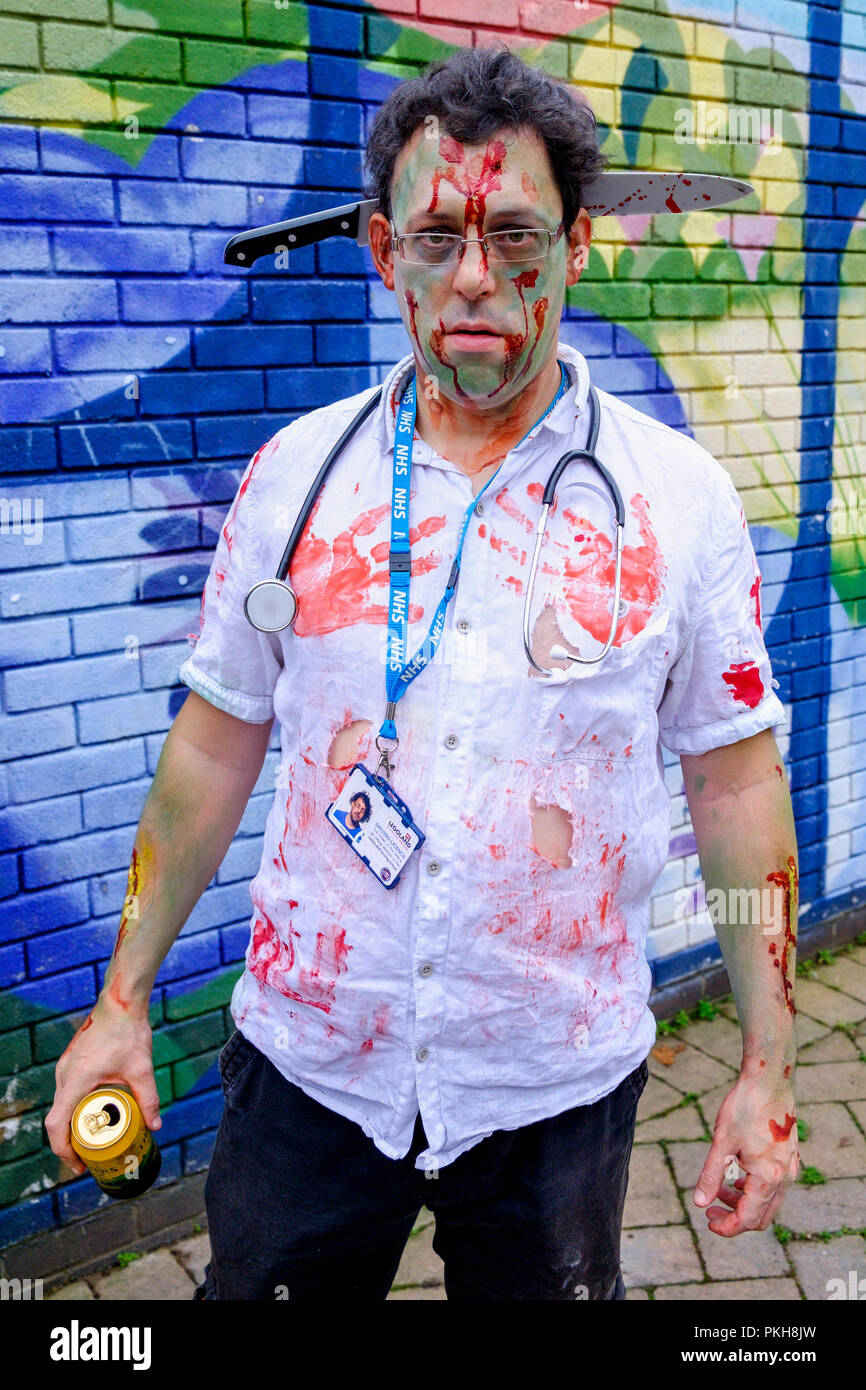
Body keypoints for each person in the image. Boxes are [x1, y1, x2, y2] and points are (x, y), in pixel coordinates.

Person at [46, 44, 799, 1301]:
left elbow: (732, 786)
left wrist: (769, 1060)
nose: (473, 277)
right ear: (382, 254)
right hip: (309, 1065)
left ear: (573, 250)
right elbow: (213, 743)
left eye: (513, 235)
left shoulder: (677, 502)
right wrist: (122, 997)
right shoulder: (294, 479)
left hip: (550, 1083)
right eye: (435, 233)